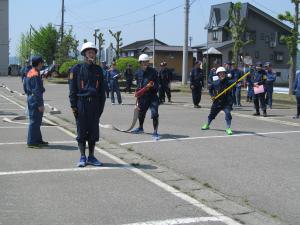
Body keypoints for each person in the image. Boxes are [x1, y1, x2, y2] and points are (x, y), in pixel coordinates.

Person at [69, 42, 106, 167]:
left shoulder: (98, 70)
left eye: (94, 52)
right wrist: (74, 107)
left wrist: (100, 108)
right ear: (84, 54)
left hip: (94, 104)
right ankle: (82, 156)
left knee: (93, 132)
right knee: (81, 131)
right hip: (82, 103)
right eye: (89, 52)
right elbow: (72, 90)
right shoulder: (76, 69)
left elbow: (102, 91)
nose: (92, 54)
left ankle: (91, 156)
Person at [131, 53, 160, 140]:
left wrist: (152, 86)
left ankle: (155, 132)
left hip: (152, 96)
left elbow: (157, 84)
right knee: (141, 113)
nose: (145, 64)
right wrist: (137, 91)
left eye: (147, 62)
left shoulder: (153, 71)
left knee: (155, 114)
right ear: (140, 63)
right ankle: (140, 128)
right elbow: (137, 84)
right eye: (143, 62)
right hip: (142, 97)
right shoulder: (137, 72)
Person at [201, 67, 236, 135]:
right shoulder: (215, 83)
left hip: (226, 102)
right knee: (212, 114)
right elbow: (210, 90)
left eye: (223, 73)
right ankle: (207, 124)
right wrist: (212, 96)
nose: (222, 74)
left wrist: (237, 81)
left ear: (225, 74)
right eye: (220, 73)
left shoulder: (228, 81)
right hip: (217, 102)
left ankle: (228, 128)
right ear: (218, 74)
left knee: (228, 114)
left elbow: (235, 81)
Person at [25, 56, 48, 148]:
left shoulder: (31, 71)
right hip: (35, 99)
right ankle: (32, 142)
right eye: (42, 62)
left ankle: (38, 140)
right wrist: (40, 104)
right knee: (35, 121)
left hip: (31, 98)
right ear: (39, 63)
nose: (43, 64)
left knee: (37, 121)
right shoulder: (34, 74)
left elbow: (25, 85)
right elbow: (36, 90)